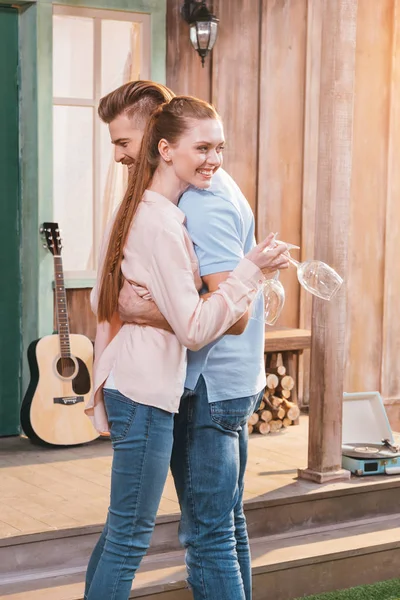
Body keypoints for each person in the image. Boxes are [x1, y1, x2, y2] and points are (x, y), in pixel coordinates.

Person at [84, 93, 289, 600]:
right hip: (152, 389)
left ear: (156, 142)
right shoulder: (159, 215)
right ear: (168, 147)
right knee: (140, 536)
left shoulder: (191, 206)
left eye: (218, 147)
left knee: (146, 534)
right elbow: (196, 322)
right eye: (204, 147)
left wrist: (146, 310)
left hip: (190, 388)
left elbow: (220, 319)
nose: (213, 160)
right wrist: (251, 271)